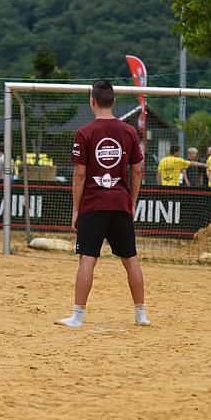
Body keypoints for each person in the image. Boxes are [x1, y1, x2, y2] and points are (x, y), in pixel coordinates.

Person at [56, 79, 151, 328]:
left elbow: (79, 175)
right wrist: (131, 202)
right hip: (120, 202)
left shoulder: (85, 132)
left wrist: (76, 209)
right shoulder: (129, 131)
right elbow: (138, 171)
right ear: (114, 101)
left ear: (92, 101)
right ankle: (141, 314)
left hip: (93, 203)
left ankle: (77, 316)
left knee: (87, 258)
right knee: (130, 258)